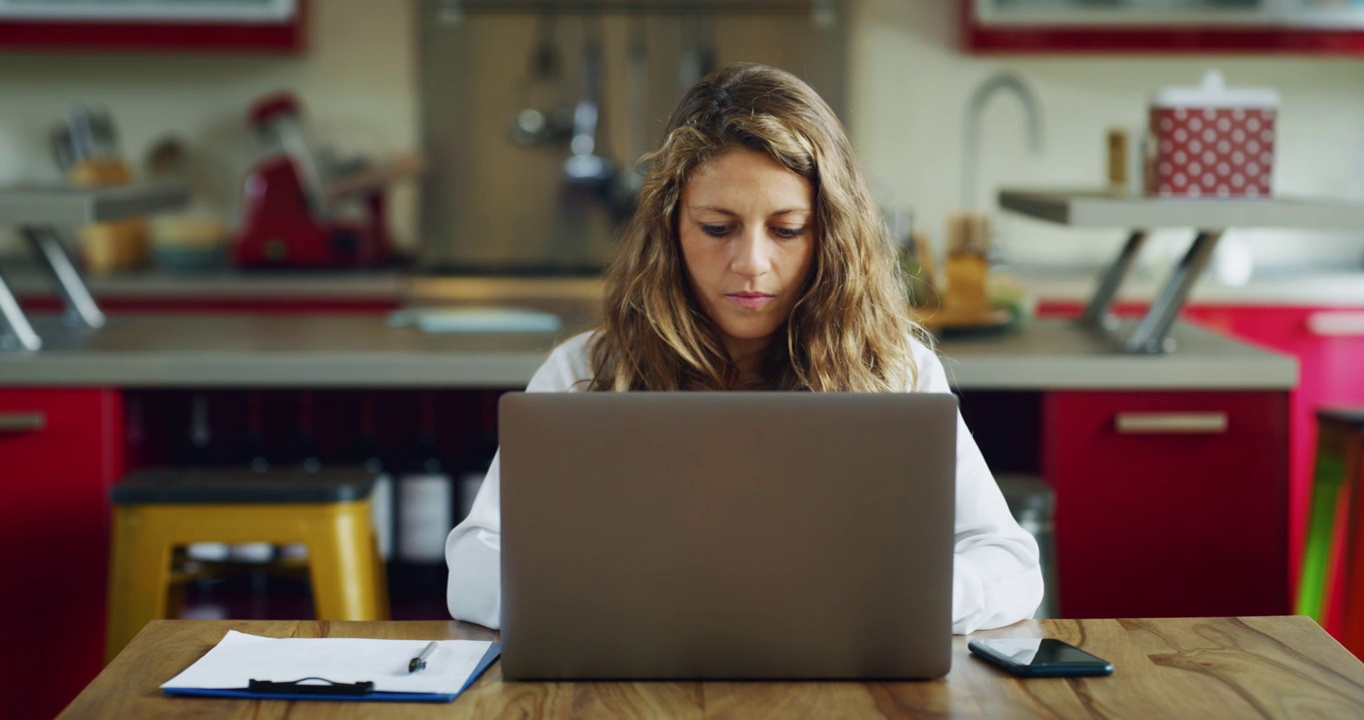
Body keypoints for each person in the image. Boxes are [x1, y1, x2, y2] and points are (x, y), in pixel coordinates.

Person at [446, 63, 1043, 635]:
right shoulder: (584, 372)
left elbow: (1010, 565)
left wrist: (892, 600)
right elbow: (475, 565)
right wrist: (618, 602)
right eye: (717, 228)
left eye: (787, 230)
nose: (752, 264)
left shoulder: (897, 372)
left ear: (831, 236)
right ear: (670, 228)